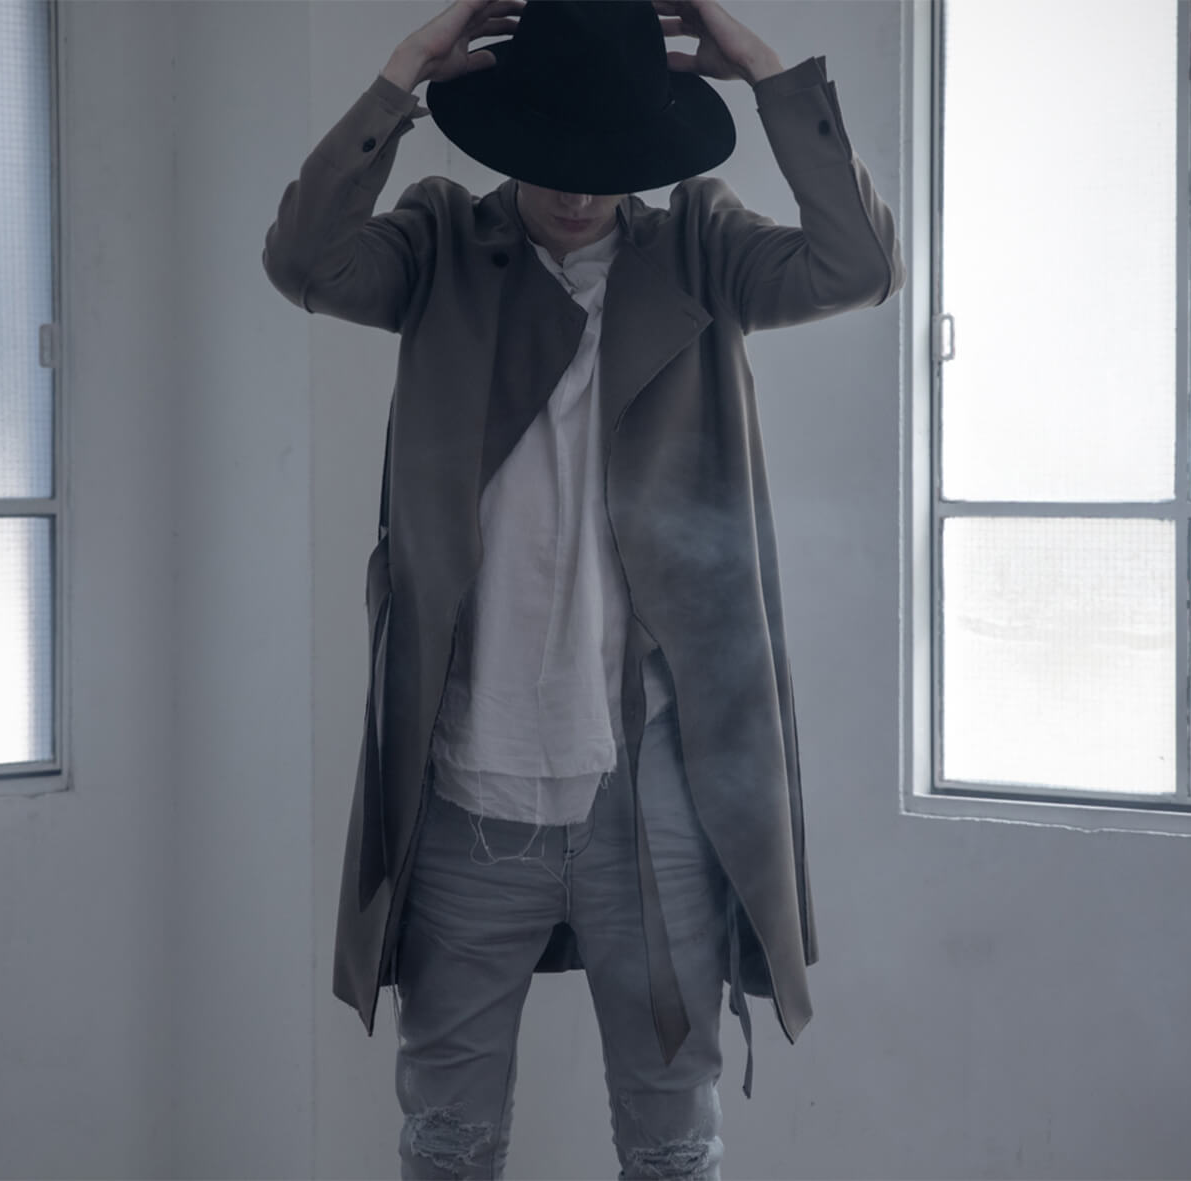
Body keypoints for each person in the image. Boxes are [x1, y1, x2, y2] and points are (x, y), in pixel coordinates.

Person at [263, 1, 903, 1176]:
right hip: (464, 787)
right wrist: (401, 75)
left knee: (671, 1141)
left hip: (650, 799)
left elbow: (859, 266)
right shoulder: (440, 242)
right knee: (447, 1140)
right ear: (509, 136)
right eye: (551, 155)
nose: (573, 188)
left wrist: (767, 74)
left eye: (604, 160)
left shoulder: (698, 244)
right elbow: (302, 261)